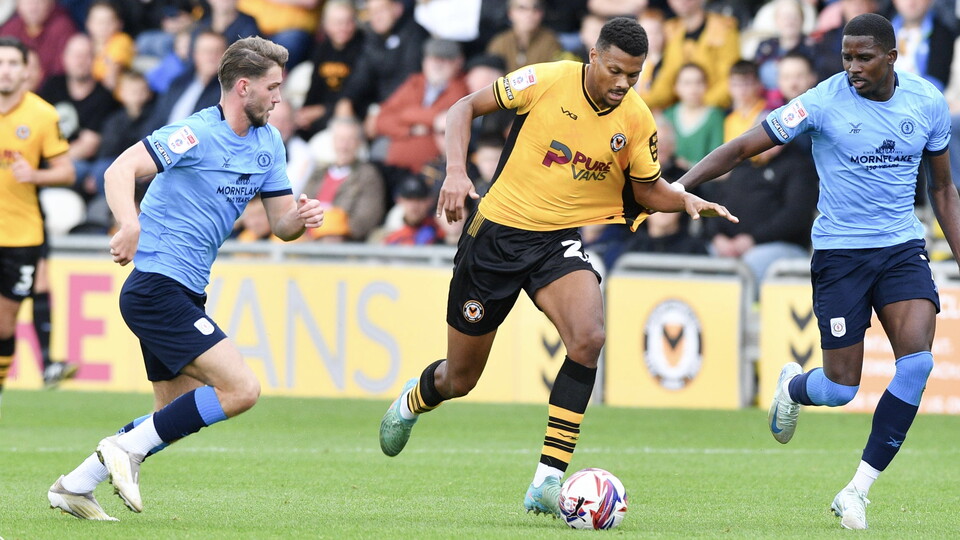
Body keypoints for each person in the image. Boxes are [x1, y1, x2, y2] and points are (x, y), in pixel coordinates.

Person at [377, 16, 737, 518]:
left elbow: (647, 191)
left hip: (556, 242)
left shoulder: (636, 119)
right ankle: (414, 400)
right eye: (614, 70)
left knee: (588, 337)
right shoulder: (544, 80)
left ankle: (548, 480)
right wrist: (456, 172)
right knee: (459, 379)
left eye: (633, 76)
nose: (621, 84)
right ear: (593, 55)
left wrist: (685, 200)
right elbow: (464, 107)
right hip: (495, 239)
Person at [676, 14, 960, 530]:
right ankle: (795, 387)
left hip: (900, 248)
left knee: (916, 365)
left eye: (863, 58)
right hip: (840, 257)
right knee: (841, 388)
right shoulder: (822, 101)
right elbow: (743, 146)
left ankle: (857, 491)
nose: (852, 67)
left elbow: (942, 190)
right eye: (846, 57)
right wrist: (679, 188)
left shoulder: (927, 102)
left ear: (892, 57)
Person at [47, 35, 325, 521]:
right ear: (244, 87)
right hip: (155, 286)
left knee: (167, 417)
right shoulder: (194, 132)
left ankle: (75, 485)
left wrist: (302, 217)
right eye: (273, 86)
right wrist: (129, 223)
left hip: (187, 292)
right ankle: (124, 453)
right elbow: (119, 171)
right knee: (242, 390)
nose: (280, 97)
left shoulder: (269, 142)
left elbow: (281, 225)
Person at [0, 37, 76, 416]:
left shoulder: (43, 115)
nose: (6, 70)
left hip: (20, 236)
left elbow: (67, 172)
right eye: (1, 62)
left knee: (4, 321)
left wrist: (34, 174)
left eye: (13, 63)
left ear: (27, 70)